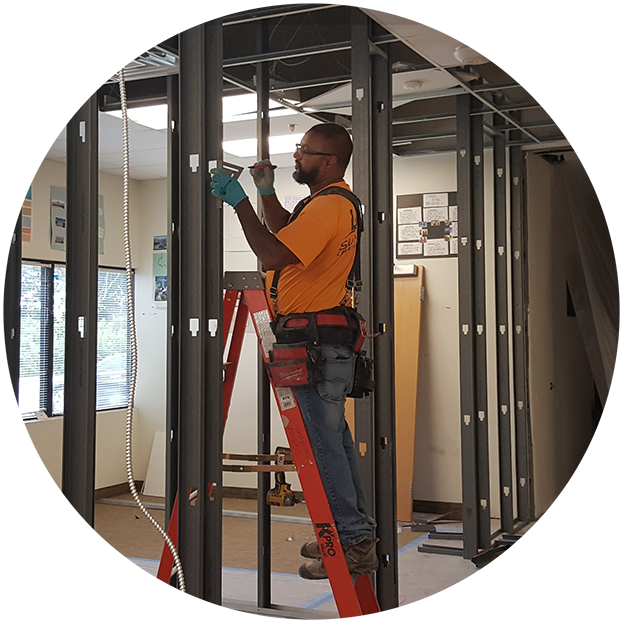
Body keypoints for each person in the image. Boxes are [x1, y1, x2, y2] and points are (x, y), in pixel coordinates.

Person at [210, 123, 377, 581]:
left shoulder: (328, 207)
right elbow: (286, 233)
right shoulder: (325, 204)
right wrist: (266, 193)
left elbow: (274, 255)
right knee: (335, 442)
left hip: (315, 345)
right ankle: (356, 532)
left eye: (305, 151)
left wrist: (239, 201)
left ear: (330, 162)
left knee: (322, 445)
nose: (297, 156)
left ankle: (351, 539)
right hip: (322, 343)